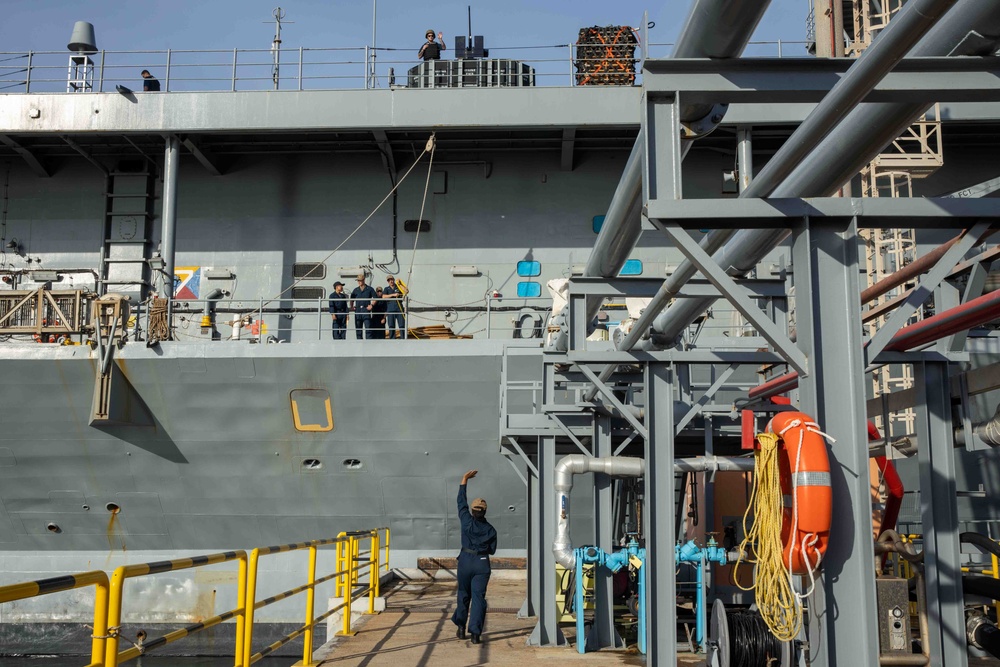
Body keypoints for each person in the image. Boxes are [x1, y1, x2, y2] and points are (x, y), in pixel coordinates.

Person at [452, 469, 496, 645]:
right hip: (482, 563)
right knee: (478, 598)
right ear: (485, 512)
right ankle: (475, 634)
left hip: (465, 561)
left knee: (463, 594)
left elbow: (460, 502)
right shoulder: (491, 530)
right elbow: (492, 550)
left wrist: (464, 480)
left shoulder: (465, 521)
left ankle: (461, 628)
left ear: (472, 510)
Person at [349, 273, 376, 339]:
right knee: (358, 329)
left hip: (366, 310)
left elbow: (375, 298)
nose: (359, 282)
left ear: (363, 280)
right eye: (358, 280)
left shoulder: (369, 289)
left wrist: (371, 305)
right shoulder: (356, 290)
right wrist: (352, 306)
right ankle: (359, 343)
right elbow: (351, 299)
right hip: (358, 310)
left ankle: (368, 343)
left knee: (368, 328)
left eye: (360, 280)